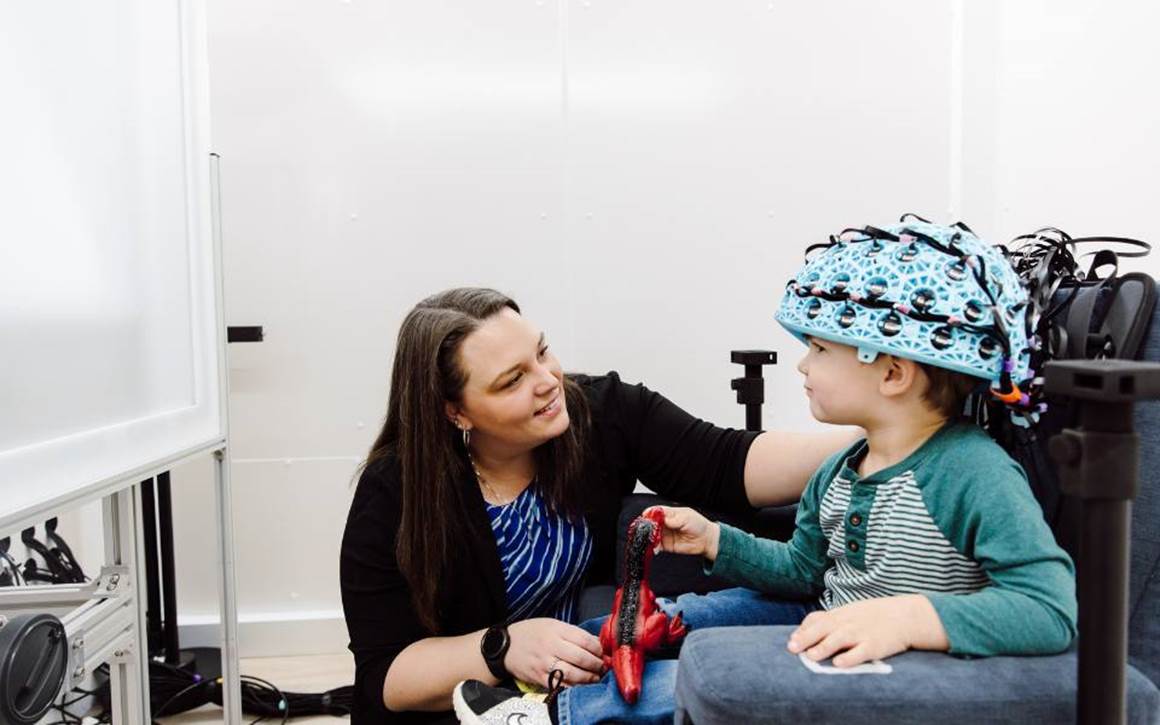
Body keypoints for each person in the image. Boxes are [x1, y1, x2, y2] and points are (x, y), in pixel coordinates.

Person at [451, 220, 1078, 725]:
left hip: (904, 664)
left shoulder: (972, 473)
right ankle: (553, 672)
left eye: (820, 350)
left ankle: (555, 712)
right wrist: (715, 541)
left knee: (696, 671)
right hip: (826, 614)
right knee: (632, 627)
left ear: (892, 374)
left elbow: (1048, 611)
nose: (803, 366)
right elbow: (802, 572)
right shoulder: (841, 470)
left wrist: (910, 619)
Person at [339, 287, 858, 723]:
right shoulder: (396, 492)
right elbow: (387, 677)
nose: (547, 382)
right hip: (473, 702)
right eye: (512, 380)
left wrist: (882, 437)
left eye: (542, 353)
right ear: (456, 412)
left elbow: (732, 463)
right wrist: (501, 649)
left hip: (587, 672)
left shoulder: (597, 411)